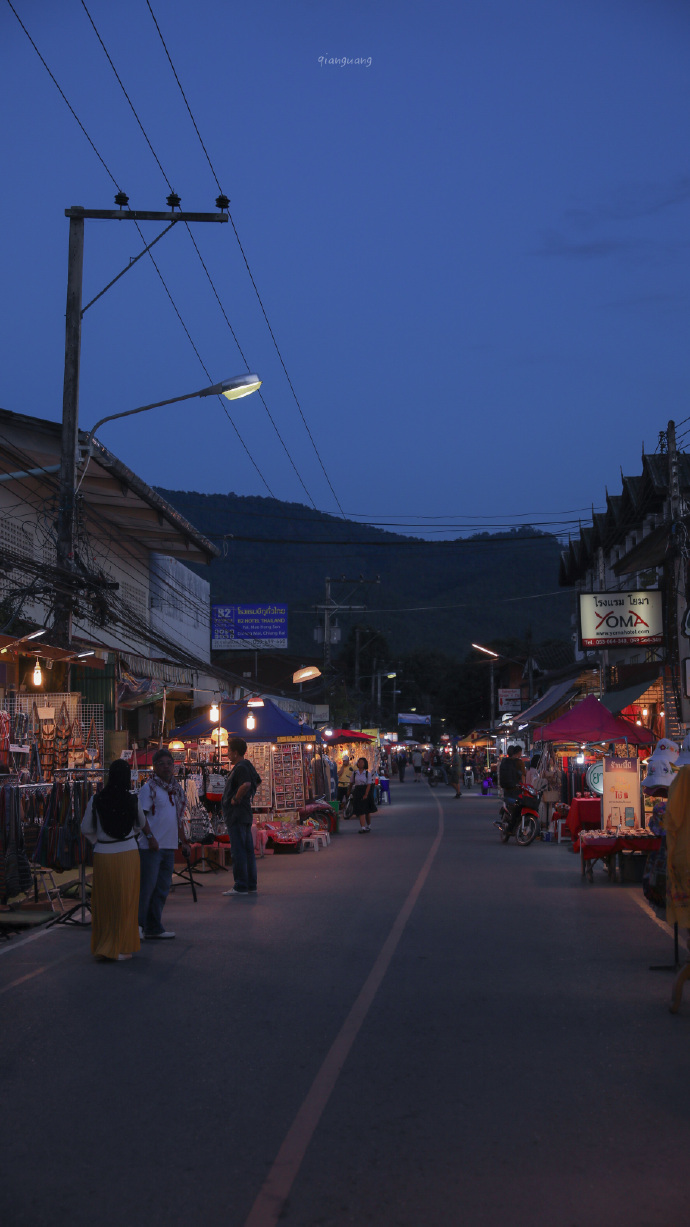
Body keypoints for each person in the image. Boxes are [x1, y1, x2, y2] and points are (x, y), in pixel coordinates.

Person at [81, 758, 156, 962]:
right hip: (128, 854)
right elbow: (141, 823)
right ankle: (123, 947)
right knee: (127, 901)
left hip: (103, 855)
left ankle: (105, 946)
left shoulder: (96, 800)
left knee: (105, 901)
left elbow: (86, 828)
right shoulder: (132, 799)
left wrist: (99, 841)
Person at [137, 747, 190, 939]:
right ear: (154, 767)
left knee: (161, 889)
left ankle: (154, 926)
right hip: (151, 847)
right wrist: (150, 838)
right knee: (147, 888)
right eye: (162, 764)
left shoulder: (176, 790)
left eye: (170, 764)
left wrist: (183, 841)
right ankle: (139, 926)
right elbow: (140, 817)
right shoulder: (149, 788)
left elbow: (178, 818)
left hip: (168, 846)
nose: (167, 767)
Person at [222, 736, 261, 895]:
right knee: (247, 850)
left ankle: (241, 885)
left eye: (229, 751)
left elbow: (246, 784)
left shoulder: (240, 767)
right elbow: (257, 781)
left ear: (236, 752)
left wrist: (236, 798)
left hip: (237, 815)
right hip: (243, 814)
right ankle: (250, 884)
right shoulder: (247, 765)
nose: (227, 754)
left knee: (238, 850)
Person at [497, 745, 524, 831]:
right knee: (518, 808)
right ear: (518, 752)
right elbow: (523, 776)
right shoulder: (519, 762)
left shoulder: (504, 761)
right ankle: (512, 826)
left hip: (506, 788)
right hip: (516, 789)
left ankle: (510, 825)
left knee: (511, 807)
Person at [348, 756, 374, 833]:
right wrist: (349, 791)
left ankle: (368, 825)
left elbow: (369, 784)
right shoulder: (354, 773)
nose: (360, 763)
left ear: (365, 763)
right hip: (357, 791)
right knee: (361, 810)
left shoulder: (367, 774)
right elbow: (351, 782)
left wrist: (366, 794)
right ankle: (363, 827)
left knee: (367, 811)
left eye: (362, 762)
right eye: (359, 762)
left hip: (365, 790)